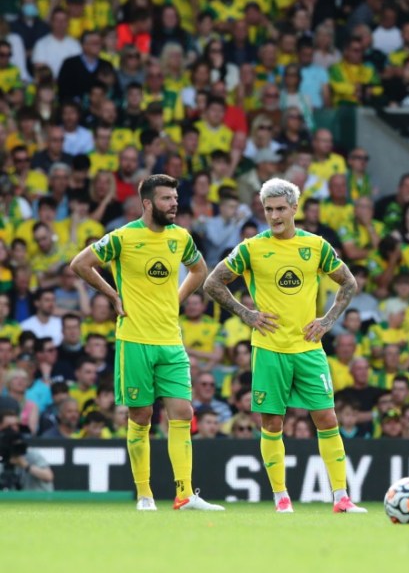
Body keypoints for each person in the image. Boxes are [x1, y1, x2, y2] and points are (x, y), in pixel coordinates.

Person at [203, 178, 366, 514]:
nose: (274, 216)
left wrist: (328, 321)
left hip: (308, 348)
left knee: (326, 418)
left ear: (295, 208)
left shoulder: (316, 246)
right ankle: (281, 498)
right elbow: (212, 282)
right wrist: (246, 313)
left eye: (280, 208)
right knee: (272, 424)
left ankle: (341, 497)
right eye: (268, 209)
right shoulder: (251, 248)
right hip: (269, 349)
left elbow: (348, 282)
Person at [70, 175, 223, 512]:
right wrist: (112, 294)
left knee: (183, 412)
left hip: (171, 340)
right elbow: (80, 264)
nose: (174, 204)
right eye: (167, 199)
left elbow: (199, 271)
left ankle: (184, 494)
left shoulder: (180, 237)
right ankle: (145, 494)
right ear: (148, 203)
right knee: (141, 416)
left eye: (175, 198)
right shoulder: (124, 237)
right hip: (134, 339)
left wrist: (177, 300)